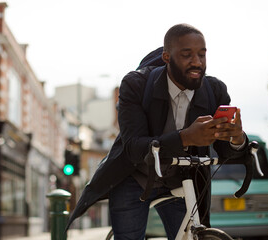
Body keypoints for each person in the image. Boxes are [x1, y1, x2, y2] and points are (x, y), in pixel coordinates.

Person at [66, 23, 248, 240]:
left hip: (182, 180)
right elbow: (134, 147)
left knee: (190, 236)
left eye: (202, 54)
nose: (197, 62)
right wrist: (186, 137)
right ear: (167, 57)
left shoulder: (215, 90)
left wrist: (236, 139)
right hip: (134, 176)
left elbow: (225, 150)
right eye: (187, 55)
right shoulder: (135, 85)